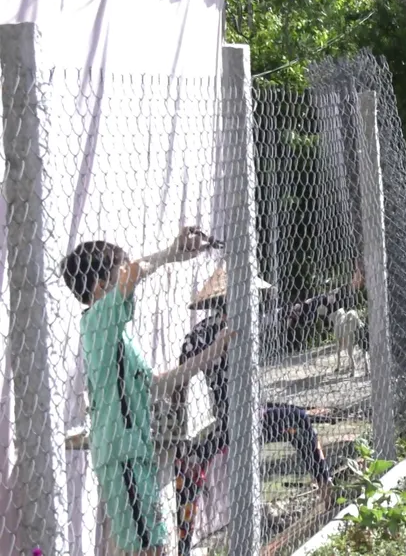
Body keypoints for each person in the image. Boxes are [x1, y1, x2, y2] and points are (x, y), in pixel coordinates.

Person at [62, 229, 231, 555]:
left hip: (133, 453)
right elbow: (135, 272)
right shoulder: (98, 320)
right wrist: (171, 252)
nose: (129, 283)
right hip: (123, 454)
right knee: (152, 548)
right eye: (119, 273)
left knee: (139, 545)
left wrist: (213, 351)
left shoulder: (117, 336)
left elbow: (157, 384)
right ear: (100, 287)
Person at [173, 264, 361, 554]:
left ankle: (183, 545)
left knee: (294, 419)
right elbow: (305, 311)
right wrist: (348, 290)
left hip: (234, 416)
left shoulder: (206, 333)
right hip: (237, 417)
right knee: (297, 420)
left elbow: (180, 385)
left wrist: (179, 425)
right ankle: (328, 493)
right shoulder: (223, 331)